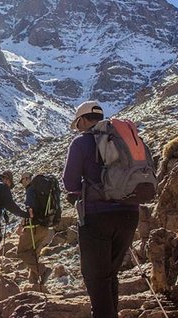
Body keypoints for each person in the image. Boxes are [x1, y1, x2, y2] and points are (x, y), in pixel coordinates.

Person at [62, 101, 140, 318]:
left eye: (78, 123)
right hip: (129, 213)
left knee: (96, 278)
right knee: (110, 274)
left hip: (97, 216)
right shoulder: (124, 139)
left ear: (85, 120)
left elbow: (70, 183)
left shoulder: (81, 143)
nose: (77, 128)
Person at [16, 172, 55, 285]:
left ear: (27, 179)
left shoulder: (30, 189)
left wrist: (21, 226)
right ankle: (34, 282)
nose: (22, 183)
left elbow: (30, 211)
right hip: (45, 227)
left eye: (22, 180)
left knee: (22, 252)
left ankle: (43, 270)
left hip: (33, 228)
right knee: (33, 255)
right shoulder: (44, 192)